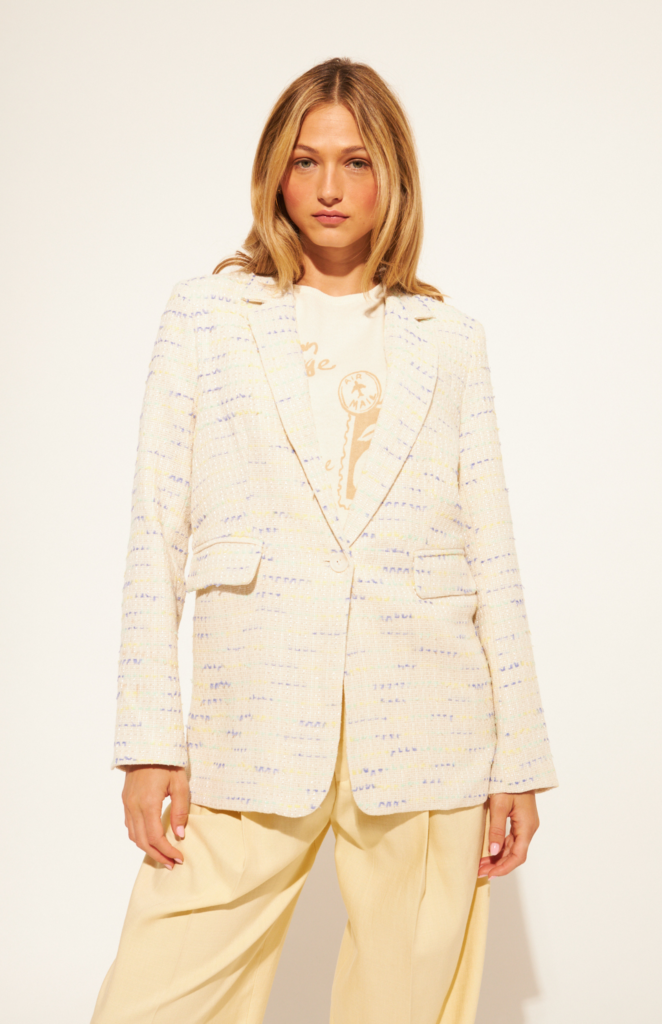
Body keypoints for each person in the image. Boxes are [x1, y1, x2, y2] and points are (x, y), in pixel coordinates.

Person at [91, 57, 558, 1024]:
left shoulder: (450, 338)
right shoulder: (207, 317)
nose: (330, 187)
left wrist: (519, 759)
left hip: (428, 724)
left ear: (394, 177)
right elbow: (154, 529)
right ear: (275, 172)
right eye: (306, 161)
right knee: (152, 1000)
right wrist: (148, 740)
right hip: (253, 715)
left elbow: (492, 551)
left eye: (357, 161)